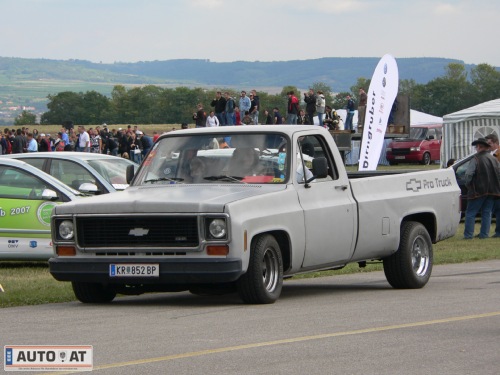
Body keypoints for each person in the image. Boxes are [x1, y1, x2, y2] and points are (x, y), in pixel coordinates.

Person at [463, 138, 500, 239]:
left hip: (478, 191)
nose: (476, 149)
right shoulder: (494, 159)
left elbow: (468, 175)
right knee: (487, 213)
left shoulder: (476, 159)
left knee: (470, 213)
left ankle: (468, 235)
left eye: (476, 147)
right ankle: (484, 235)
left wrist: (468, 185)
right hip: (492, 191)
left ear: (479, 147)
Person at [485, 134, 500, 238]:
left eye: (489, 143)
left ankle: (498, 232)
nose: (488, 146)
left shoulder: (497, 155)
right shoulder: (491, 154)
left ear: (496, 143)